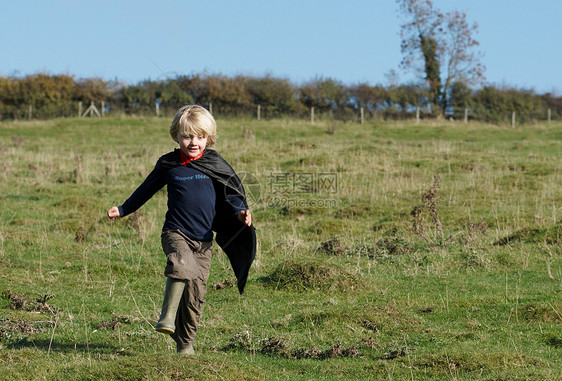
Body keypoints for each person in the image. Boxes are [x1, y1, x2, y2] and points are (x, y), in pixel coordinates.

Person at [107, 105, 256, 355]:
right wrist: (123, 209)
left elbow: (231, 195)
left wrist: (240, 212)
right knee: (180, 264)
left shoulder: (214, 163)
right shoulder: (169, 164)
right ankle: (166, 316)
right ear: (176, 136)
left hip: (204, 242)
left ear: (209, 138)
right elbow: (146, 189)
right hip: (176, 233)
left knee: (195, 298)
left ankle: (185, 344)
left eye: (200, 137)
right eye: (187, 136)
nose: (193, 142)